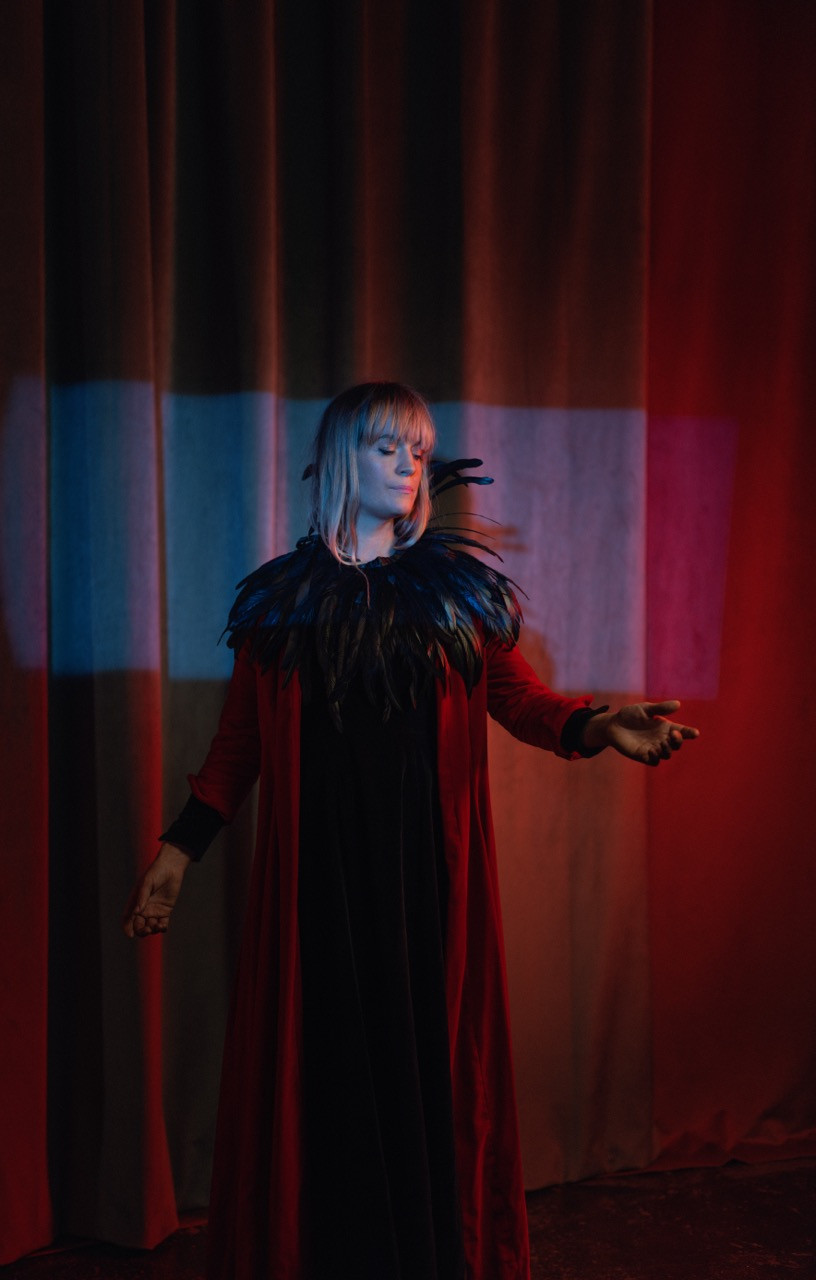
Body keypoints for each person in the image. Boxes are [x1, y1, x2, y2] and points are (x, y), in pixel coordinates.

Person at [122, 382, 698, 1280]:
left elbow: (520, 701)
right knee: (328, 1083)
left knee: (425, 1075)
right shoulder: (281, 605)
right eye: (387, 446)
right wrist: (176, 852)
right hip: (321, 889)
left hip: (428, 883)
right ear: (339, 458)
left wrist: (596, 724)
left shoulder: (456, 597)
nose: (407, 465)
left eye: (419, 451)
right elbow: (241, 746)